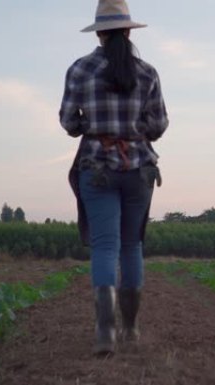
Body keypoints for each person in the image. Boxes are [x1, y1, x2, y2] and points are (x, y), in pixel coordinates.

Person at [59, 0, 168, 355]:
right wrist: (135, 130)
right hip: (139, 169)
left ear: (100, 33)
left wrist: (91, 126)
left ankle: (105, 333)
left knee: (105, 247)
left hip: (97, 167)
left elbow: (68, 122)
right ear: (128, 30)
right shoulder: (148, 72)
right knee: (132, 245)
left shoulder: (80, 69)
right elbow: (159, 124)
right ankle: (131, 329)